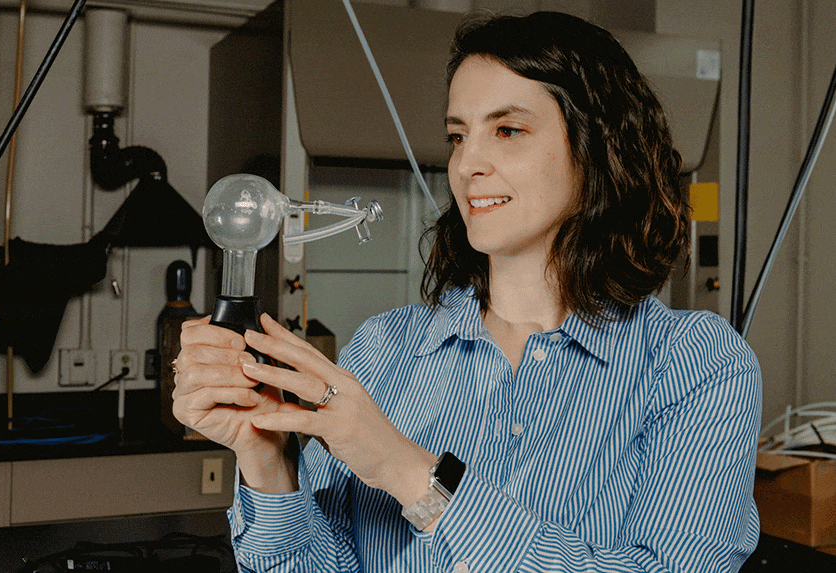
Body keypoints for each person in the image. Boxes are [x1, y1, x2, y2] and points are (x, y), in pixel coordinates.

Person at [172, 10, 761, 573]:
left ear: (597, 149)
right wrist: (266, 459)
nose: (467, 163)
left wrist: (405, 468)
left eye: (507, 130)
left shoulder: (696, 365)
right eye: (458, 135)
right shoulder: (385, 350)